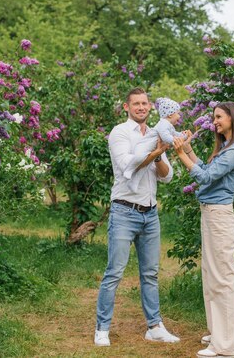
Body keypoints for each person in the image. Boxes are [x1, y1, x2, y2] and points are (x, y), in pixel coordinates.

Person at [94, 87, 181, 347]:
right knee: (115, 273)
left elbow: (166, 175)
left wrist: (158, 155)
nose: (141, 107)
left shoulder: (156, 133)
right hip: (124, 211)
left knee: (150, 274)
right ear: (126, 107)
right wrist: (155, 152)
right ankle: (102, 329)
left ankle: (154, 327)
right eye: (136, 104)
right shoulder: (120, 132)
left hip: (150, 213)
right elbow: (127, 165)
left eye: (145, 103)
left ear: (150, 107)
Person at [172, 102, 234, 358]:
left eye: (218, 117)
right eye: (213, 117)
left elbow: (204, 178)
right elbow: (207, 170)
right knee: (211, 276)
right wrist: (188, 149)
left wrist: (179, 154)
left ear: (232, 118)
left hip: (219, 216)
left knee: (223, 279)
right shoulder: (226, 147)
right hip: (211, 214)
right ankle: (218, 332)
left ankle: (225, 346)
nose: (214, 121)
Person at [123, 96, 185, 192]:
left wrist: (183, 136)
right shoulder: (163, 124)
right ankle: (129, 170)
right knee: (139, 158)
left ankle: (133, 183)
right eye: (178, 114)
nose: (179, 116)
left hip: (151, 150)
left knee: (145, 167)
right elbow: (165, 136)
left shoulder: (169, 126)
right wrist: (174, 141)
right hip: (143, 146)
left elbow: (175, 134)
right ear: (170, 115)